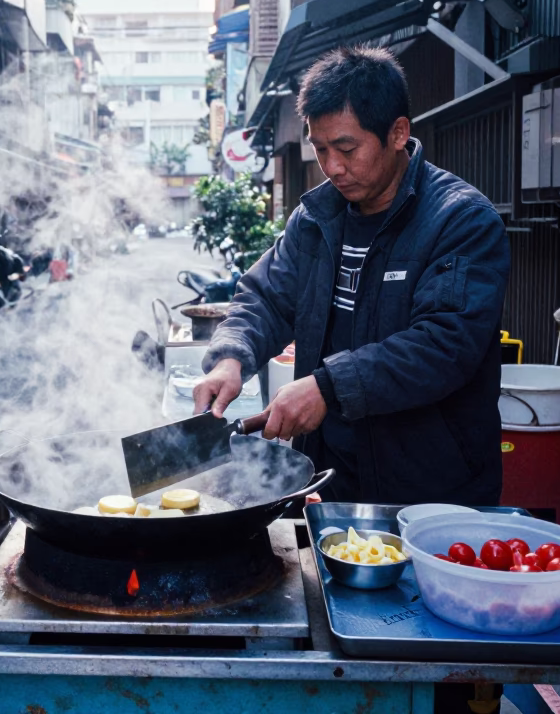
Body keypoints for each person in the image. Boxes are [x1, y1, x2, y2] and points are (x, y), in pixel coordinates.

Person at [192, 46, 510, 507]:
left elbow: (445, 344)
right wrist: (231, 358)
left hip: (429, 492)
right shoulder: (316, 218)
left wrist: (327, 387)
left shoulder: (461, 220)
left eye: (346, 148)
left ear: (398, 132)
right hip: (330, 478)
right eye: (320, 149)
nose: (332, 167)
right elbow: (264, 297)